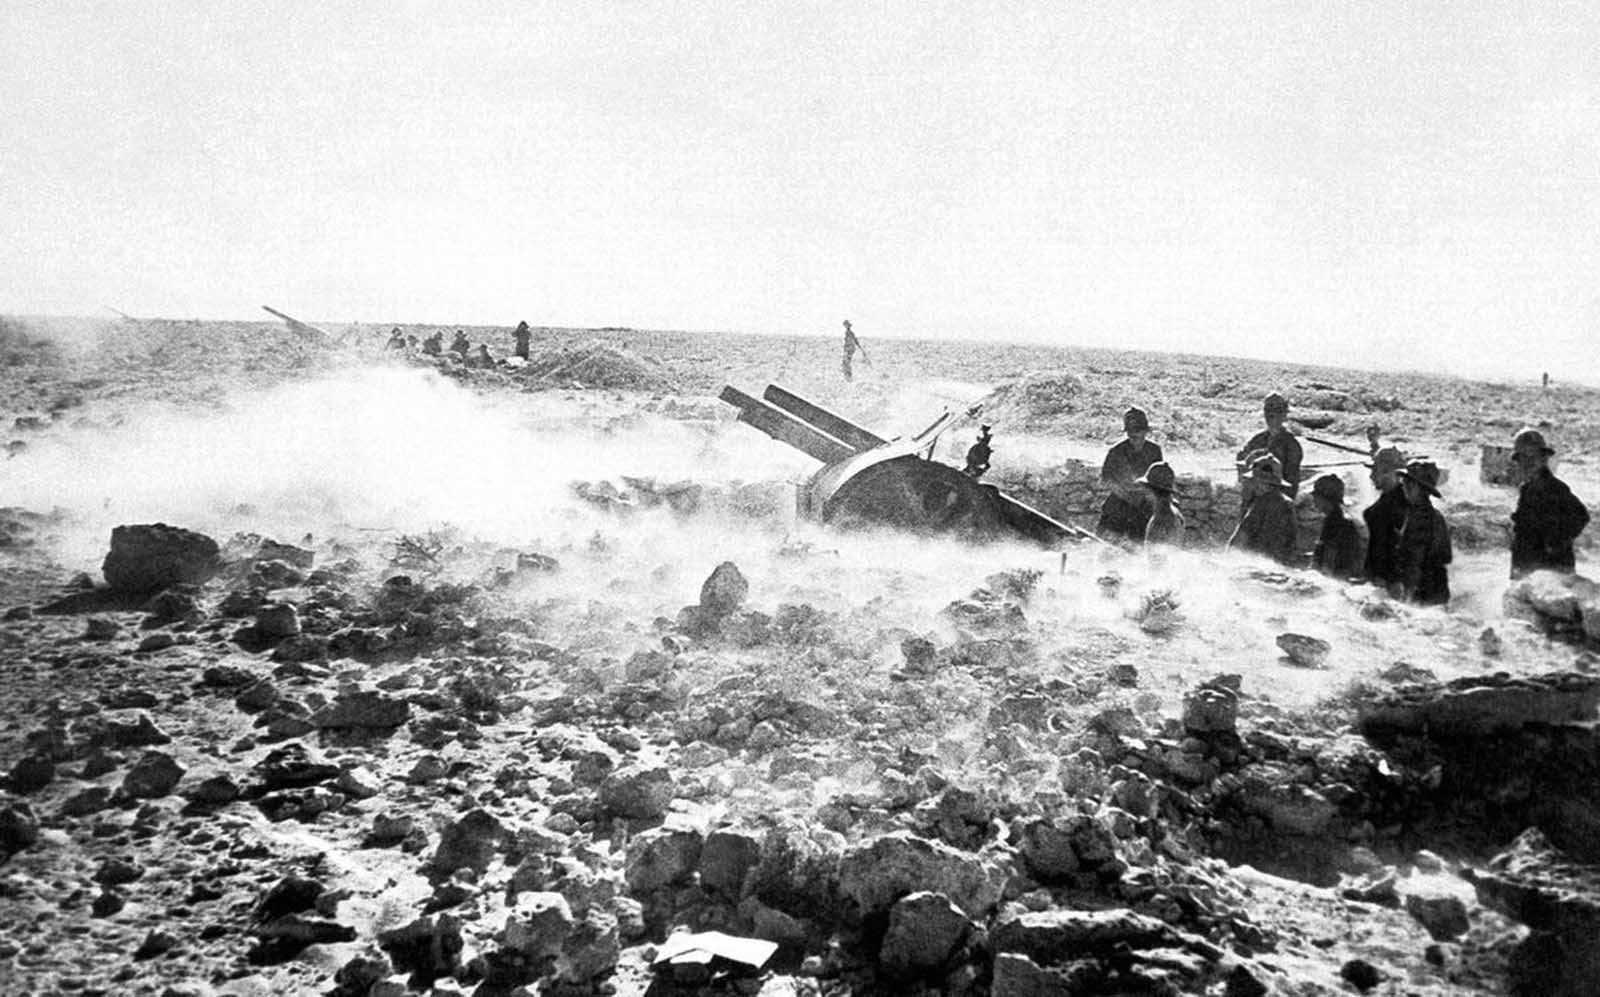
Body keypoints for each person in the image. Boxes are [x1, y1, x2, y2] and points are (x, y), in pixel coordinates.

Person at [1509, 427, 1590, 578]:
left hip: (1552, 573)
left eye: (1533, 456)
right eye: (1523, 457)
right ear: (1518, 462)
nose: (1528, 462)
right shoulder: (1526, 490)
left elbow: (1581, 516)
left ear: (1544, 459)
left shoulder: (1556, 488)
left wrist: (1555, 543)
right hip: (1527, 570)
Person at [1097, 407, 1164, 542]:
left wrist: (1147, 494)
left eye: (1139, 432)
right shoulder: (1116, 452)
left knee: (1146, 538)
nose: (1136, 437)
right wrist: (1125, 494)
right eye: (1132, 434)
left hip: (1144, 503)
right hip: (1120, 502)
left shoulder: (1154, 451)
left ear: (1145, 432)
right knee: (1108, 539)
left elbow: (1158, 479)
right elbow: (1106, 480)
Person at [1392, 459, 1451, 605]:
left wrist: (1408, 597)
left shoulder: (1419, 518)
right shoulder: (1434, 515)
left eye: (1408, 483)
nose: (1404, 486)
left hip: (1423, 590)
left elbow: (1415, 560)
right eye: (1404, 482)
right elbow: (1446, 556)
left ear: (1418, 488)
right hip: (1437, 587)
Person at [1228, 454, 1297, 565]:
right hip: (1280, 565)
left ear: (1261, 482)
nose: (1250, 484)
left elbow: (1240, 539)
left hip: (1258, 565)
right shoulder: (1288, 503)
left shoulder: (1262, 504)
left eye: (1253, 480)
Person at [1235, 393, 1304, 503]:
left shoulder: (1291, 445)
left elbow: (1292, 481)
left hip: (1277, 500)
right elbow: (1242, 459)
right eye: (1268, 412)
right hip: (1253, 499)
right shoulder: (1258, 439)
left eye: (1277, 412)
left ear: (1283, 415)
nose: (1271, 416)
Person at [1362, 446, 1407, 587]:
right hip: (1379, 575)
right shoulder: (1388, 499)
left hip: (1390, 578)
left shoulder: (1401, 503)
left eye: (1377, 471)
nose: (1371, 476)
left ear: (1391, 472)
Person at [1309, 474, 1363, 578]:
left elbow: (1329, 561)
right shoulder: (1332, 519)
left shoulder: (1337, 523)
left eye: (1316, 496)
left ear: (1326, 498)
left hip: (1337, 581)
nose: (1313, 500)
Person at [1137, 462, 1184, 548]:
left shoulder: (1162, 520)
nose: (1143, 492)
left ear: (1153, 491)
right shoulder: (1171, 511)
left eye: (1146, 488)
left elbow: (1157, 558)